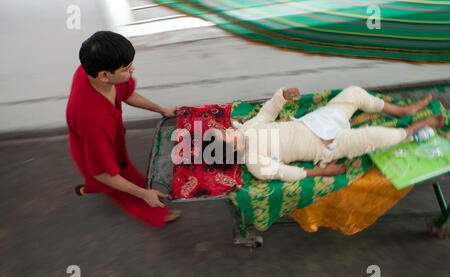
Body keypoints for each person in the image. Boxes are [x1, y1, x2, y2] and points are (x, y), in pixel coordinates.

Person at [205, 86, 445, 182]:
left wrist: (281, 96)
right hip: (327, 144)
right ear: (233, 149)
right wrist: (323, 171)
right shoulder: (254, 162)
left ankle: (402, 110)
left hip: (318, 121)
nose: (230, 129)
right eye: (227, 135)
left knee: (353, 93)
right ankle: (415, 129)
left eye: (225, 129)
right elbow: (285, 172)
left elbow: (267, 113)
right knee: (375, 137)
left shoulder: (247, 128)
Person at [66, 31, 180, 227]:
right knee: (119, 181)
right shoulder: (92, 119)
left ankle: (85, 190)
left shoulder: (92, 72)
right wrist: (144, 193)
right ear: (104, 76)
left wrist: (161, 109)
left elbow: (126, 94)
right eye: (127, 68)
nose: (133, 69)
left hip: (103, 139)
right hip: (91, 146)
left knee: (99, 182)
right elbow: (103, 173)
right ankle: (156, 212)